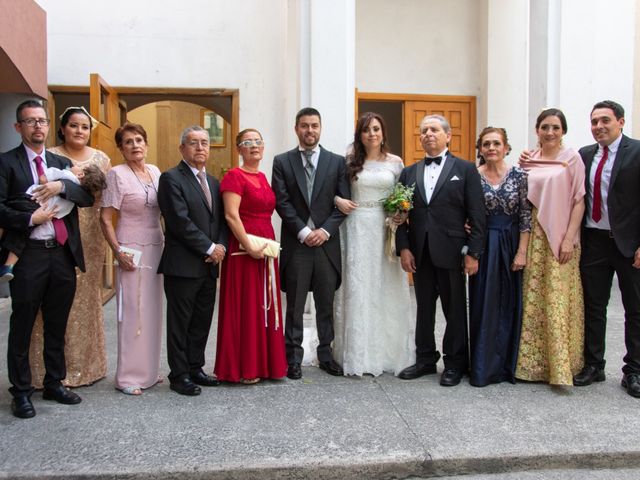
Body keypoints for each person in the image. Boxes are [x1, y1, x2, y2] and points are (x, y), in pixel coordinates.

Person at [0, 100, 94, 418]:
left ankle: (54, 382)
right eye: (30, 121)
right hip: (29, 256)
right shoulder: (6, 163)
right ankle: (22, 391)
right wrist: (31, 219)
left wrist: (60, 186)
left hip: (61, 255)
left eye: (42, 121)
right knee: (23, 324)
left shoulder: (60, 162)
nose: (37, 126)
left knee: (57, 323)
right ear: (19, 127)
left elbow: (87, 195)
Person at [396, 114, 486, 387]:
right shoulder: (408, 172)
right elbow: (399, 214)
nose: (428, 134)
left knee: (454, 309)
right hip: (420, 252)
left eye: (434, 130)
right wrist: (404, 248)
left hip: (452, 251)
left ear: (448, 136)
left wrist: (473, 253)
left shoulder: (466, 169)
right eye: (423, 131)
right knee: (423, 308)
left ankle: (455, 363)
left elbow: (478, 214)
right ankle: (425, 359)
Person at [29, 106, 112, 389]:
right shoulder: (50, 156)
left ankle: (85, 367)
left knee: (86, 300)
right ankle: (47, 371)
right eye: (73, 125)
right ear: (62, 128)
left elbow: (105, 202)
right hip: (58, 230)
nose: (79, 131)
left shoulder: (102, 158)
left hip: (90, 236)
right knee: (51, 301)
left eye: (85, 127)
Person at [332, 112, 415, 376]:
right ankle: (357, 353)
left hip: (385, 228)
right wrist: (337, 200)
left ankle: (389, 352)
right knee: (358, 286)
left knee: (386, 286)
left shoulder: (396, 162)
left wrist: (402, 212)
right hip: (356, 227)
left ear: (383, 132)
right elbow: (330, 190)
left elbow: (404, 196)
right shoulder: (348, 162)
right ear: (360, 134)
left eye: (376, 129)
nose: (372, 134)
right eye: (366, 130)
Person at [272, 107, 350, 380]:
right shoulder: (282, 161)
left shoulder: (337, 162)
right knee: (294, 304)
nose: (310, 131)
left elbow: (343, 203)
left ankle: (326, 354)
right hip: (298, 244)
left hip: (326, 245)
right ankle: (292, 357)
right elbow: (281, 202)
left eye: (314, 125)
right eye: (304, 126)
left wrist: (325, 231)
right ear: (296, 129)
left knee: (325, 302)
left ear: (320, 128)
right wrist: (304, 232)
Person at [573, 100, 640, 398]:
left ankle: (634, 370)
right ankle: (594, 364)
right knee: (594, 306)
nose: (598, 126)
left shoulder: (637, 152)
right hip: (595, 242)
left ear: (621, 122)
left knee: (635, 309)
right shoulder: (584, 155)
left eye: (605, 121)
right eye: (594, 122)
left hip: (629, 242)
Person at [515, 108, 585, 386]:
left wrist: (569, 237)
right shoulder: (528, 159)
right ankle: (531, 366)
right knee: (533, 299)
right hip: (533, 236)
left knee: (557, 299)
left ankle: (561, 366)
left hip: (560, 236)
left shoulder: (572, 159)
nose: (550, 132)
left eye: (555, 127)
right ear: (537, 130)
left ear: (563, 131)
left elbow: (579, 199)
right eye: (545, 127)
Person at [158, 125, 228, 396]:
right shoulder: (171, 178)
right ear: (182, 148)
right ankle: (179, 374)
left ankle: (196, 366)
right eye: (193, 143)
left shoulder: (213, 182)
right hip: (183, 265)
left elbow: (219, 220)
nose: (200, 148)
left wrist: (220, 245)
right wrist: (209, 247)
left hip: (210, 265)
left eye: (204, 143)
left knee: (201, 320)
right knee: (180, 322)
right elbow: (178, 221)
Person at [214, 128, 288, 384]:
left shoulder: (264, 177)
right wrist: (248, 245)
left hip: (265, 246)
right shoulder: (235, 176)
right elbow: (231, 215)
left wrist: (264, 247)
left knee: (264, 303)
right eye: (248, 142)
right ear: (239, 149)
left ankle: (266, 364)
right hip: (244, 248)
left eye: (258, 141)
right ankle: (244, 367)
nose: (254, 146)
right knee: (246, 306)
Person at [100, 123, 164, 396]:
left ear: (146, 144)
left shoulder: (155, 172)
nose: (135, 145)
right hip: (130, 249)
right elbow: (105, 217)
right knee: (132, 311)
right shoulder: (116, 174)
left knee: (152, 310)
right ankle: (128, 377)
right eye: (128, 142)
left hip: (157, 245)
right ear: (120, 148)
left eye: (139, 140)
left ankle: (149, 372)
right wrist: (117, 251)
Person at [468, 127, 531, 387]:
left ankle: (506, 366)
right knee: (484, 302)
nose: (491, 148)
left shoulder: (519, 176)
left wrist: (522, 251)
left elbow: (526, 216)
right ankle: (483, 367)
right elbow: (465, 209)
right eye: (486, 144)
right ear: (480, 149)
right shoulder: (472, 176)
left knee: (509, 303)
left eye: (496, 143)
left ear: (506, 147)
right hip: (483, 244)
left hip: (511, 241)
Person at [0, 163, 106, 281]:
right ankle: (8, 266)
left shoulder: (66, 174)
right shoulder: (70, 203)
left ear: (80, 174)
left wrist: (60, 185)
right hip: (44, 215)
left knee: (8, 223)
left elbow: (42, 178)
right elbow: (59, 214)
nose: (74, 165)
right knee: (19, 236)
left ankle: (7, 265)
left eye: (79, 166)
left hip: (30, 200)